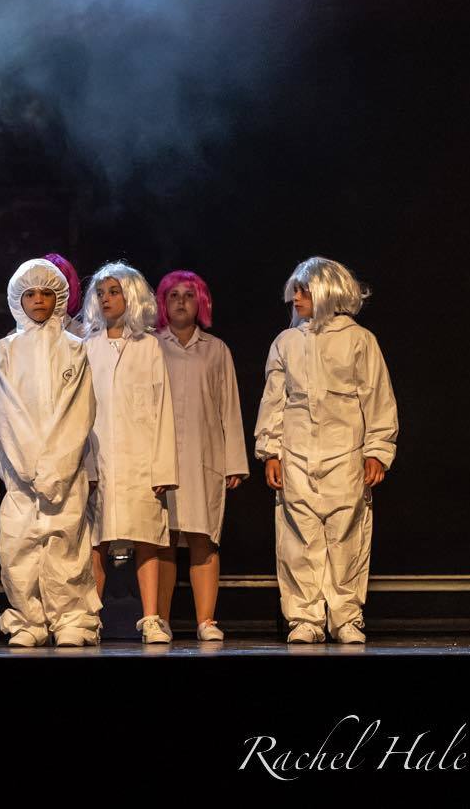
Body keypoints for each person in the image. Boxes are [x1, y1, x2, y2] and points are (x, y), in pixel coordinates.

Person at [254, 257, 397, 644]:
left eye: (305, 291)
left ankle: (346, 616)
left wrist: (377, 450)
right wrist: (271, 450)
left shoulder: (359, 340)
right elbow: (275, 400)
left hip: (344, 454)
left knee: (346, 535)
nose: (297, 298)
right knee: (299, 538)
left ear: (328, 293)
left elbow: (377, 397)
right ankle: (305, 617)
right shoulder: (286, 342)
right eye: (295, 291)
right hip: (297, 453)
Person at [0, 259, 100, 646]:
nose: (38, 300)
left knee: (65, 541)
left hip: (63, 467)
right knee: (18, 543)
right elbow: (7, 409)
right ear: (17, 299)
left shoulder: (75, 348)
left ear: (60, 297)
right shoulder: (6, 349)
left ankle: (71, 619)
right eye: (30, 293)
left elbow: (78, 410)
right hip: (20, 471)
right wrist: (27, 464)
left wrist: (57, 463)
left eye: (46, 293)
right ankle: (28, 619)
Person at [83, 261, 178, 644]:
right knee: (96, 540)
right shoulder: (86, 347)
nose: (106, 299)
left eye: (114, 291)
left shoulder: (149, 347)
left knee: (146, 537)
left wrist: (163, 469)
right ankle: (91, 615)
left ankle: (152, 617)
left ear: (132, 296)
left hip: (141, 459)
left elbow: (162, 408)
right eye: (101, 292)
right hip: (99, 456)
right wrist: (85, 467)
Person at [153, 270, 249, 641]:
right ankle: (157, 618)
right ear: (162, 303)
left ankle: (206, 620)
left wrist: (235, 461)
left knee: (203, 538)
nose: (180, 301)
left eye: (188, 295)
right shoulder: (151, 345)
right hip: (162, 459)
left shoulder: (216, 349)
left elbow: (230, 407)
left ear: (201, 303)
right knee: (162, 539)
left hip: (204, 455)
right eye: (173, 295)